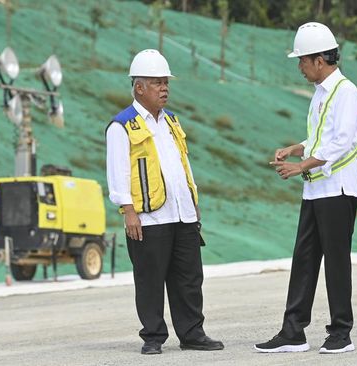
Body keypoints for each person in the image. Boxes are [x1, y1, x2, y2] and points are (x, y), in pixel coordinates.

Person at [105, 49, 224, 355]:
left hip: (182, 215)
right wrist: (128, 210)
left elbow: (183, 163)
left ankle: (192, 334)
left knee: (189, 278)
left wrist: (193, 199)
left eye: (165, 82)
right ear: (139, 87)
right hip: (148, 218)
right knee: (150, 279)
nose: (164, 88)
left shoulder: (171, 121)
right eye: (157, 82)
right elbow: (117, 172)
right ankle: (153, 337)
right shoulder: (122, 126)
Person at [255, 22, 357, 354]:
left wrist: (301, 166)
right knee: (304, 258)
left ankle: (341, 332)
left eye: (302, 60)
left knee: (336, 260)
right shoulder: (320, 94)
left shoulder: (346, 91)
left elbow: (342, 142)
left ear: (319, 60)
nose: (300, 67)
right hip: (316, 190)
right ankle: (293, 331)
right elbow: (319, 140)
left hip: (339, 189)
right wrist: (294, 148)